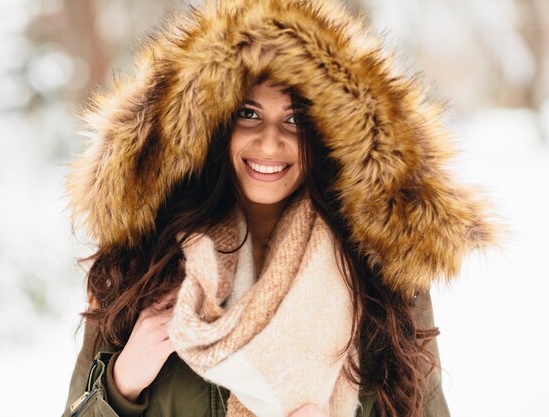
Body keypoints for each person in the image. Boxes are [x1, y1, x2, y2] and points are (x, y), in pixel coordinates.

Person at [62, 0, 497, 416]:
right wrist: (122, 384)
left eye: (296, 120)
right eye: (248, 113)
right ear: (213, 123)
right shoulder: (142, 262)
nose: (270, 141)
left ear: (331, 134)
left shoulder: (379, 272)